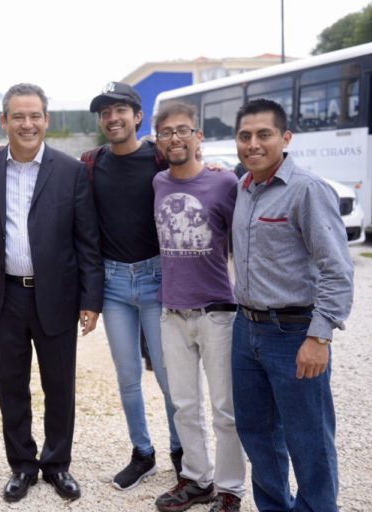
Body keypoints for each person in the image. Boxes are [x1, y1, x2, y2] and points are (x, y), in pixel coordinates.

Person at [0, 83, 104, 503]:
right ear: (4, 121)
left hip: (57, 297)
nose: (26, 124)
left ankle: (57, 464)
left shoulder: (70, 171)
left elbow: (88, 242)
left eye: (34, 116)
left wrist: (91, 300)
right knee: (10, 385)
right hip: (4, 296)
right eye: (18, 116)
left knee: (59, 385)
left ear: (46, 120)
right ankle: (23, 465)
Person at [231, 99, 354, 511]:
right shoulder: (244, 188)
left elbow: (337, 269)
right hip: (245, 331)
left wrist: (320, 336)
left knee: (309, 441)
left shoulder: (306, 190)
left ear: (285, 138)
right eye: (245, 136)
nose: (253, 144)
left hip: (294, 333)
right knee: (258, 435)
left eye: (264, 134)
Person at [82, 81, 181, 490]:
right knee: (127, 377)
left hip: (158, 279)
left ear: (138, 116)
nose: (112, 118)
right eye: (105, 112)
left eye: (120, 110)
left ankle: (182, 452)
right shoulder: (91, 163)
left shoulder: (159, 158)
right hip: (114, 284)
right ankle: (143, 453)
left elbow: (194, 177)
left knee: (169, 376)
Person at [151, 102, 245, 512]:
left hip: (217, 312)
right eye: (167, 131)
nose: (175, 137)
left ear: (198, 136)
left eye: (183, 130)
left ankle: (230, 488)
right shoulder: (158, 183)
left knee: (225, 408)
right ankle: (196, 479)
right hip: (172, 312)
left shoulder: (226, 184)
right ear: (159, 139)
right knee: (184, 405)